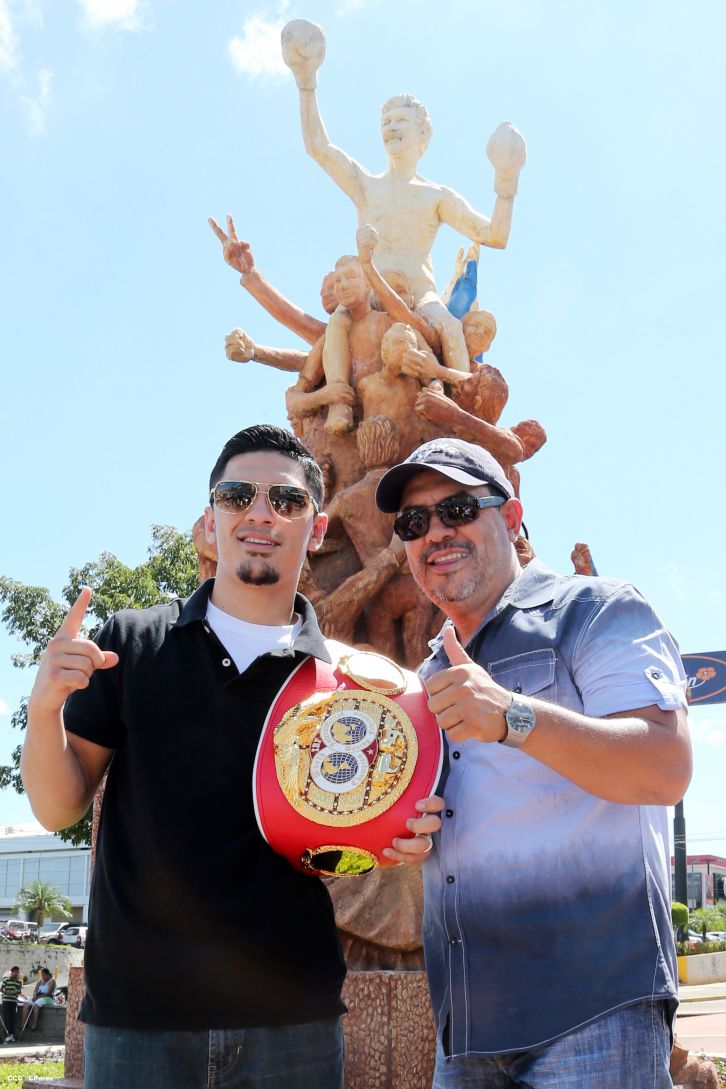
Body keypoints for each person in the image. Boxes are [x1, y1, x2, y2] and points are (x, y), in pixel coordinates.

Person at [21, 424, 441, 1089]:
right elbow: (58, 803)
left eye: (286, 499)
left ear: (318, 525)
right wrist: (43, 709)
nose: (260, 512)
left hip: (292, 1026)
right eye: (238, 494)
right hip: (137, 1022)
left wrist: (404, 837)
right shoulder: (130, 643)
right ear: (211, 518)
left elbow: (357, 836)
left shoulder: (349, 680)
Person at [375, 437, 691, 1089]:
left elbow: (665, 765)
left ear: (512, 517)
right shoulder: (424, 674)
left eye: (458, 507)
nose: (436, 531)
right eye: (414, 521)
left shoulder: (596, 609)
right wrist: (402, 836)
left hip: (596, 1012)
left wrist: (515, 717)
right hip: (466, 1034)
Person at [282, 18, 526, 373]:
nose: (391, 127)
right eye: (386, 122)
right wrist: (306, 81)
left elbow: (495, 236)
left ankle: (461, 409)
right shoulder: (365, 184)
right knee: (336, 326)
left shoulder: (436, 196)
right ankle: (337, 398)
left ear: (422, 133)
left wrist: (506, 181)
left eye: (400, 120)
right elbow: (318, 146)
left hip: (421, 293)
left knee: (451, 330)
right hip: (369, 293)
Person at [1, 966, 22, 1043]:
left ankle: (11, 1035)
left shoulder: (19, 982)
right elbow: (1, 989)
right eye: (15, 972)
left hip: (13, 1001)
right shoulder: (6, 980)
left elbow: (19, 991)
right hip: (6, 1001)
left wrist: (17, 992)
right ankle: (7, 1035)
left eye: (17, 972)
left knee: (12, 1018)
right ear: (12, 972)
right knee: (6, 1018)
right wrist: (7, 992)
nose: (16, 973)